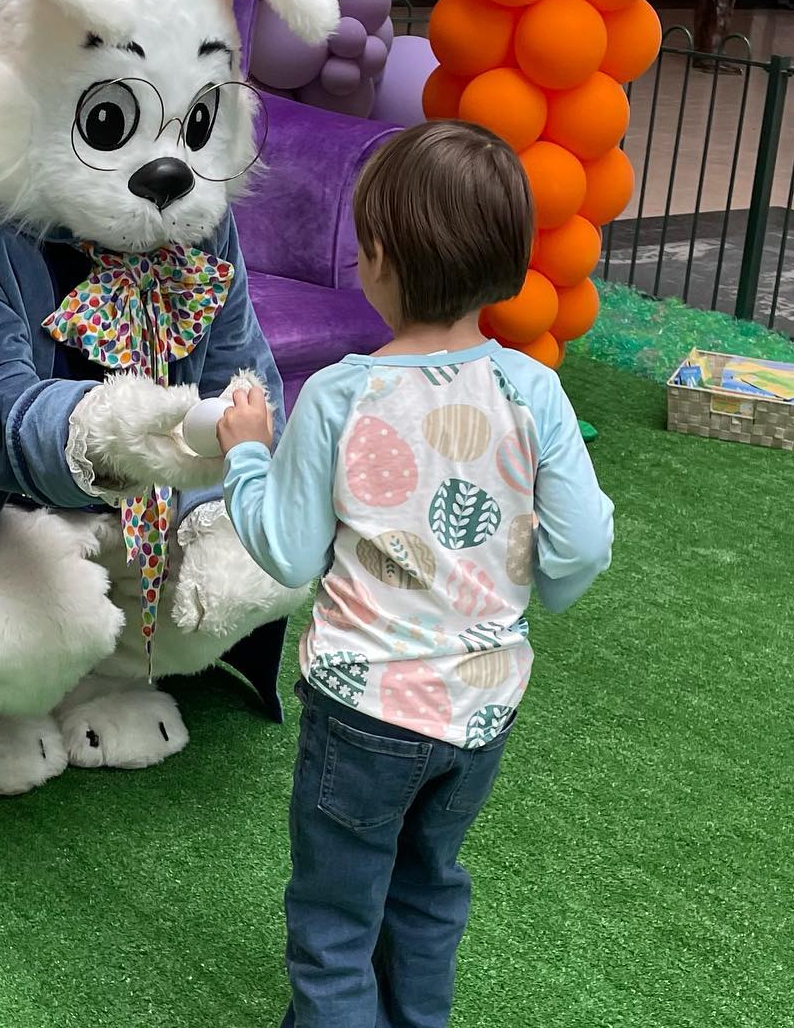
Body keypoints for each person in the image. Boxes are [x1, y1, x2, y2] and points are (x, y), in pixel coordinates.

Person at [215, 120, 615, 1028]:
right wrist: (543, 587)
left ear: (381, 257)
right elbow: (583, 545)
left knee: (333, 921)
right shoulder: (532, 391)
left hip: (363, 709)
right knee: (428, 892)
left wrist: (244, 456)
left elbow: (284, 548)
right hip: (480, 709)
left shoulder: (340, 395)